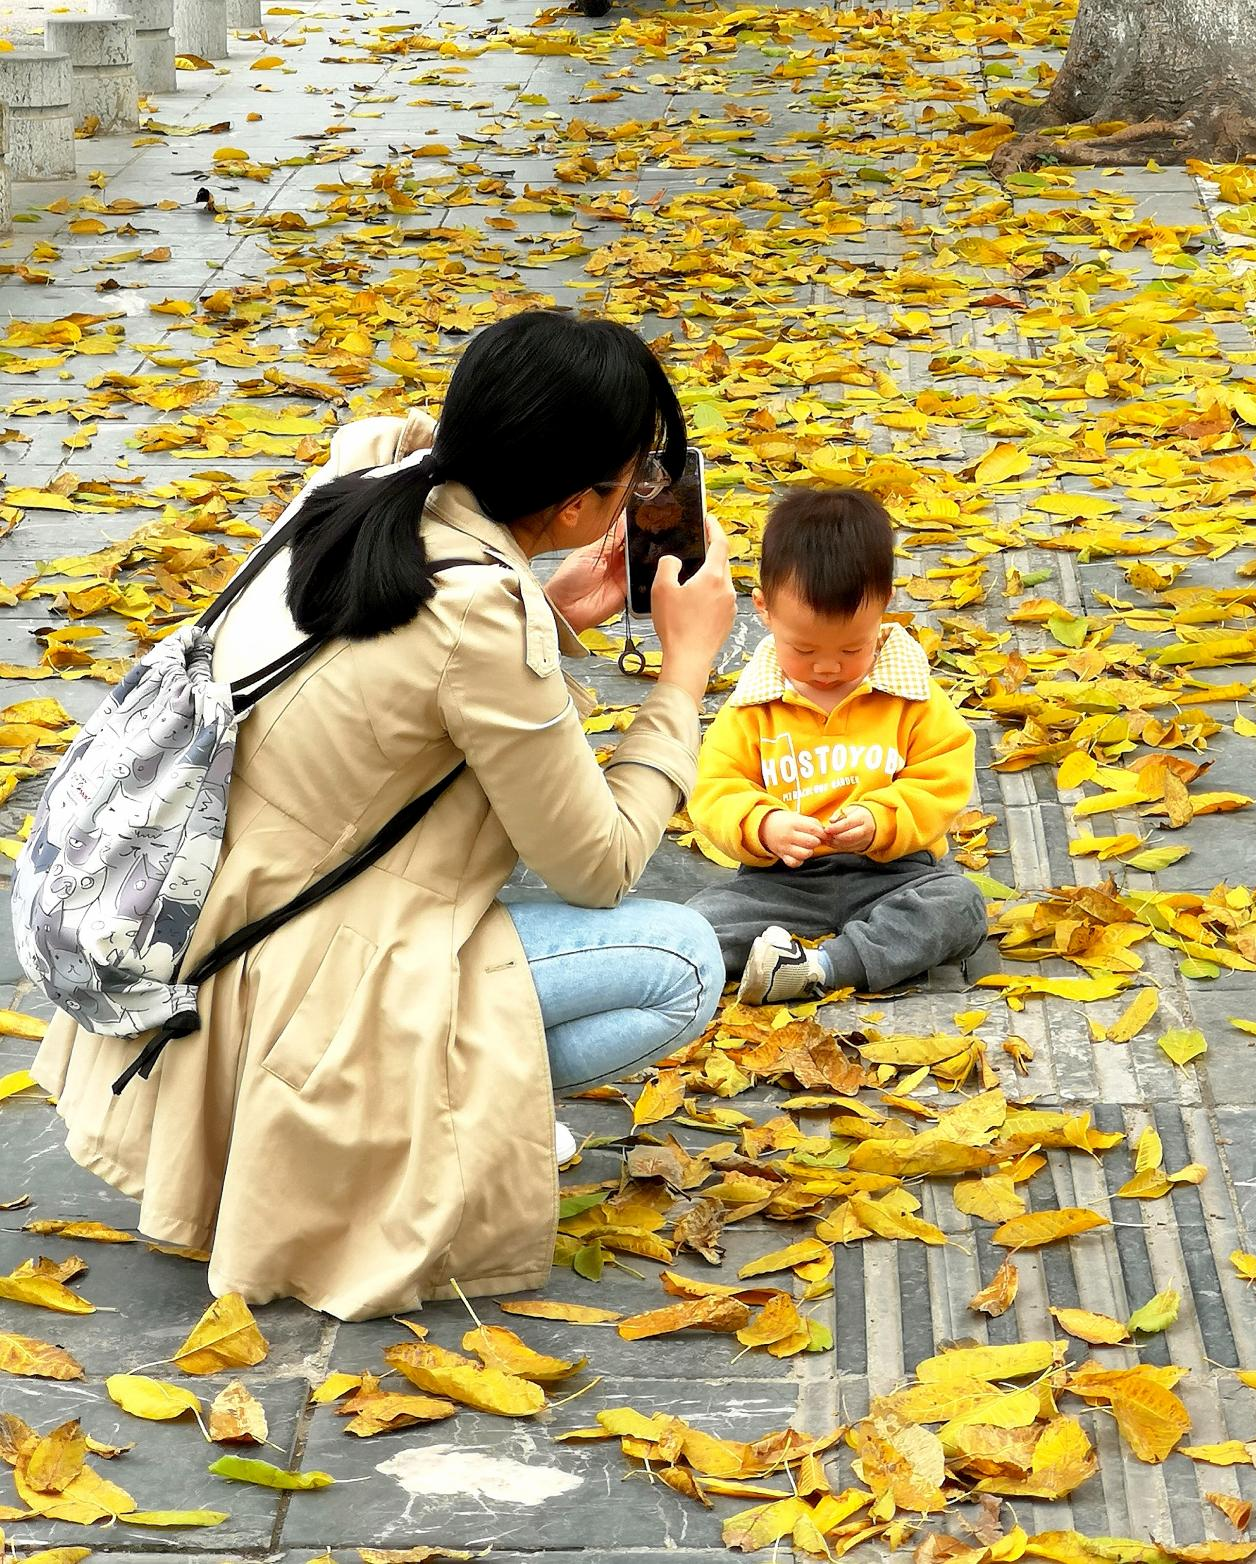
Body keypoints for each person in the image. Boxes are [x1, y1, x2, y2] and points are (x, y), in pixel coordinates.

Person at [31, 310, 735, 1321]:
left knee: (516, 835)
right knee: (680, 961)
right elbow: (602, 863)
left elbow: (391, 677)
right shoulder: (482, 617)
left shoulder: (360, 484)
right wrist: (683, 673)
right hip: (307, 989)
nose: (642, 496)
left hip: (189, 922)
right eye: (634, 480)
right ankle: (418, 1133)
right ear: (581, 504)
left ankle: (356, 1125)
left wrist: (546, 606)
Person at [686, 486, 987, 1005]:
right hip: (781, 882)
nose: (828, 667)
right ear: (763, 609)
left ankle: (821, 967)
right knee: (691, 929)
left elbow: (943, 777)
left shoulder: (908, 692)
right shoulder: (754, 705)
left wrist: (882, 819)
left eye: (853, 648)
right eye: (803, 649)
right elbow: (714, 788)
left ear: (884, 608)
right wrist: (764, 825)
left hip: (893, 873)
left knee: (958, 905)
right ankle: (780, 958)